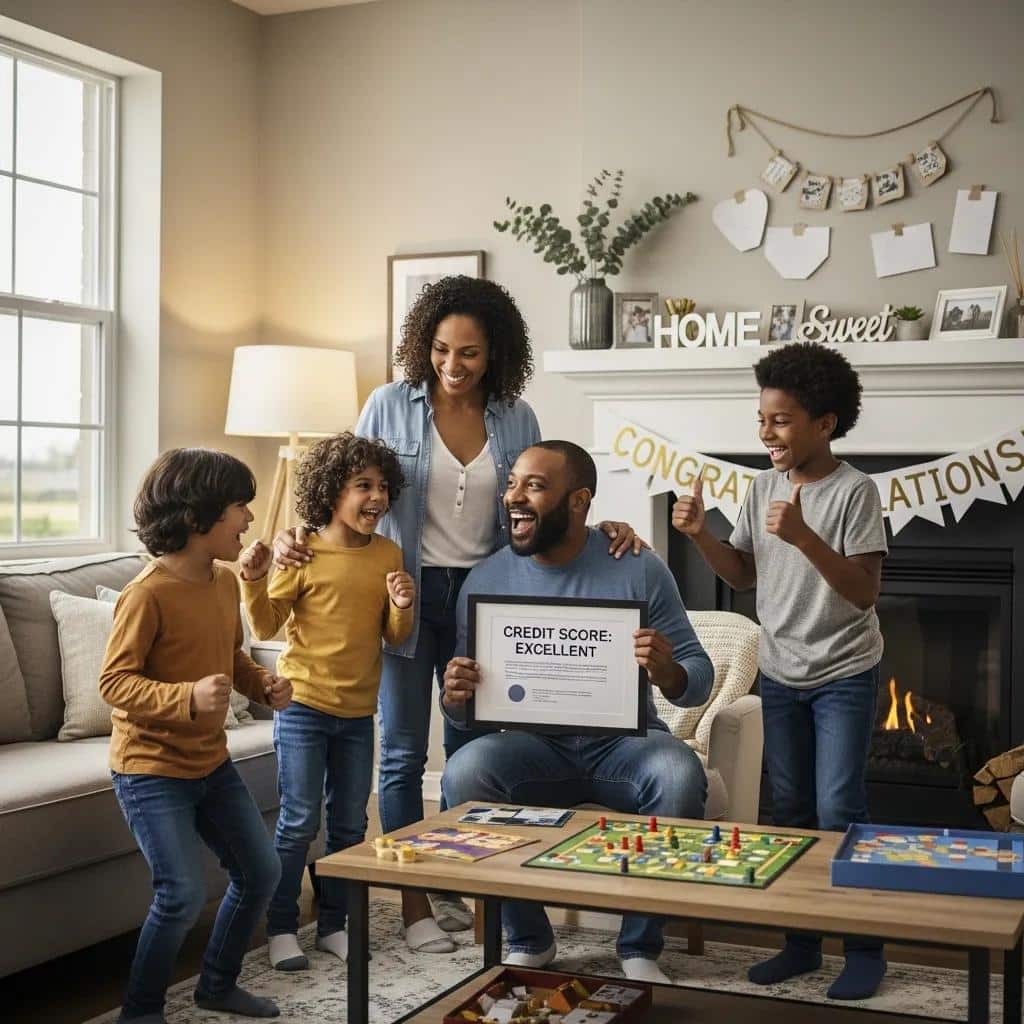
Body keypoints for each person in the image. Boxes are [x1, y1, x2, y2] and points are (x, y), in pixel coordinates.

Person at [272, 275, 642, 954]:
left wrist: (603, 526)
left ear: (493, 352)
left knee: (475, 750)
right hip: (403, 591)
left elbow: (542, 501)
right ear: (424, 346)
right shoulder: (387, 403)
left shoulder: (518, 416)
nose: (452, 365)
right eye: (441, 349)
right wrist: (299, 535)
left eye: (468, 353)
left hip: (490, 599)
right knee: (405, 753)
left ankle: (478, 895)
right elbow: (347, 491)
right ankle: (414, 903)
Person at [441, 441, 714, 985]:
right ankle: (530, 938)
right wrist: (454, 699)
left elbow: (696, 678)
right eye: (513, 483)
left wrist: (667, 671)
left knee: (678, 770)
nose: (514, 498)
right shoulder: (486, 579)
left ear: (579, 501)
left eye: (535, 486)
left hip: (624, 746)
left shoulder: (637, 566)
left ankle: (639, 946)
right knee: (465, 771)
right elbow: (467, 716)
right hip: (533, 748)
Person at [671, 341, 888, 1001]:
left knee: (838, 806)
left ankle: (865, 948)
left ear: (825, 423)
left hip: (845, 671)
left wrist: (803, 536)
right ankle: (800, 943)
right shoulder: (761, 486)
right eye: (762, 418)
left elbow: (863, 591)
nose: (767, 431)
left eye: (783, 420)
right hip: (784, 673)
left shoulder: (855, 492)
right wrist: (701, 535)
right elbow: (741, 573)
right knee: (790, 808)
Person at [99, 449, 293, 1024]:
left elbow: (229, 656)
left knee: (261, 871)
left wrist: (262, 684)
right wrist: (183, 698)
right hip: (149, 770)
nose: (249, 520)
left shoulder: (224, 583)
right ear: (195, 516)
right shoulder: (147, 593)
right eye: (240, 507)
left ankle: (216, 986)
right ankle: (141, 1012)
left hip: (211, 763)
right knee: (181, 894)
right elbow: (114, 681)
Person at [239, 433, 415, 972]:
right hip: (303, 708)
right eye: (363, 485)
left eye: (383, 486)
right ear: (330, 492)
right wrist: (251, 579)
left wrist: (402, 605)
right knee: (297, 821)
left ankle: (335, 922)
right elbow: (266, 624)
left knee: (348, 827)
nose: (377, 497)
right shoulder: (302, 550)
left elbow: (392, 635)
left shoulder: (388, 552)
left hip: (359, 714)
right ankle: (282, 927)